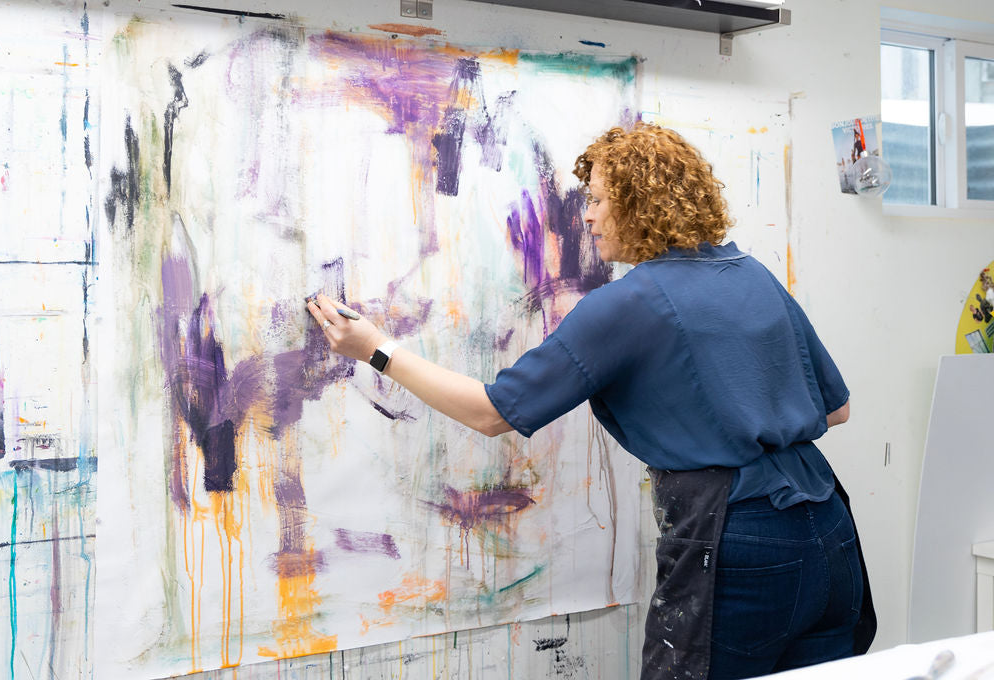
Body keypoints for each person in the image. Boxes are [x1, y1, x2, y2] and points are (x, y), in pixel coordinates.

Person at [306, 122, 875, 680]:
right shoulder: (752, 275)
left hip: (739, 541)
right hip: (829, 529)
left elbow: (492, 412)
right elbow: (835, 409)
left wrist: (375, 348)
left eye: (599, 199)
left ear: (640, 202)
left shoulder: (629, 303)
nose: (587, 216)